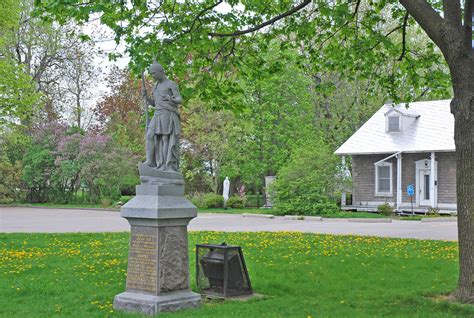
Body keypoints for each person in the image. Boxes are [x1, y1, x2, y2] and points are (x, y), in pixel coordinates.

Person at [142, 61, 182, 171]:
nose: (152, 76)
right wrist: (146, 98)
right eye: (151, 74)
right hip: (157, 113)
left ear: (161, 72)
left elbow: (179, 99)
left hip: (167, 113)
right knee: (150, 135)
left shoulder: (171, 84)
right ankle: (150, 161)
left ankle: (165, 164)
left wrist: (172, 99)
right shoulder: (156, 86)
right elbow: (155, 103)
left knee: (164, 138)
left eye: (154, 73)